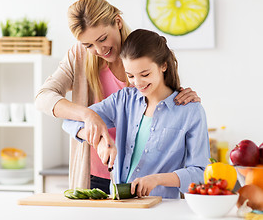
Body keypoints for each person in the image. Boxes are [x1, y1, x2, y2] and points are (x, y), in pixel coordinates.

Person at [35, 0, 201, 193]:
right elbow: (44, 98)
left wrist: (182, 97)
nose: (98, 50)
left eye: (103, 39)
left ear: (118, 22)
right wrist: (90, 118)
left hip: (146, 181)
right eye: (88, 45)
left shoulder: (144, 53)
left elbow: (166, 99)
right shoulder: (79, 57)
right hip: (95, 172)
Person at [62, 29, 210, 199]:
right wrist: (100, 140)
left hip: (162, 208)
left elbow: (200, 173)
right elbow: (70, 120)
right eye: (130, 75)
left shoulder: (190, 111)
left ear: (163, 65)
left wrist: (157, 179)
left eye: (145, 74)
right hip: (119, 206)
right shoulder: (123, 100)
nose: (137, 83)